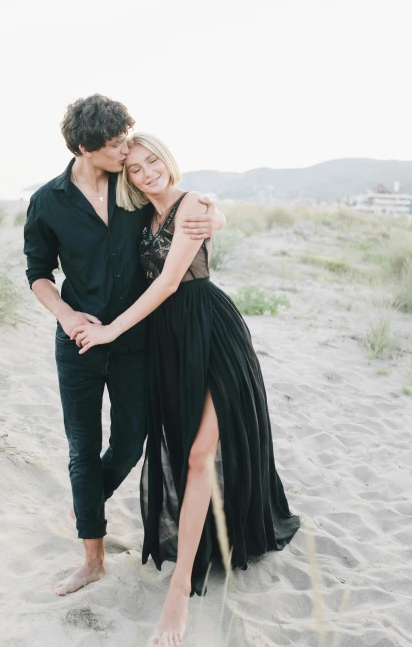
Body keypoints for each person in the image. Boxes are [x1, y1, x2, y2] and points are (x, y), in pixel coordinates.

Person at [72, 133, 301, 645]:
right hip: (167, 344)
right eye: (135, 168)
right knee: (180, 447)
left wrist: (111, 330)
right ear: (127, 177)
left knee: (200, 455)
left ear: (167, 160)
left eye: (153, 160)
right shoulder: (140, 219)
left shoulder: (194, 202)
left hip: (211, 335)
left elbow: (171, 280)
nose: (148, 171)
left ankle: (179, 592)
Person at [23, 95, 225, 598]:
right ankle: (92, 558)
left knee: (132, 441)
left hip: (137, 338)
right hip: (80, 343)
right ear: (84, 148)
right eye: (114, 145)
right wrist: (67, 315)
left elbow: (179, 205)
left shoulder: (131, 183)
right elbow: (37, 274)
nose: (126, 150)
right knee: (82, 448)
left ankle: (86, 499)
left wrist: (214, 216)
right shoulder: (48, 201)